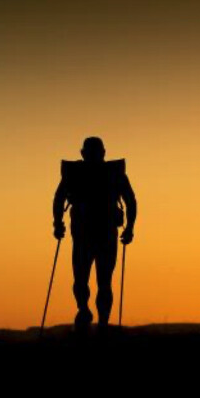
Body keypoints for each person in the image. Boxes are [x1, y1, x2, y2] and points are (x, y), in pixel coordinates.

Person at [52, 137, 137, 332]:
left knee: (93, 280)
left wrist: (58, 223)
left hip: (91, 233)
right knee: (93, 280)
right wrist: (129, 227)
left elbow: (58, 198)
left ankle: (96, 318)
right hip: (95, 233)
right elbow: (130, 201)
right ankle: (92, 316)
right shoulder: (112, 173)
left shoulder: (78, 173)